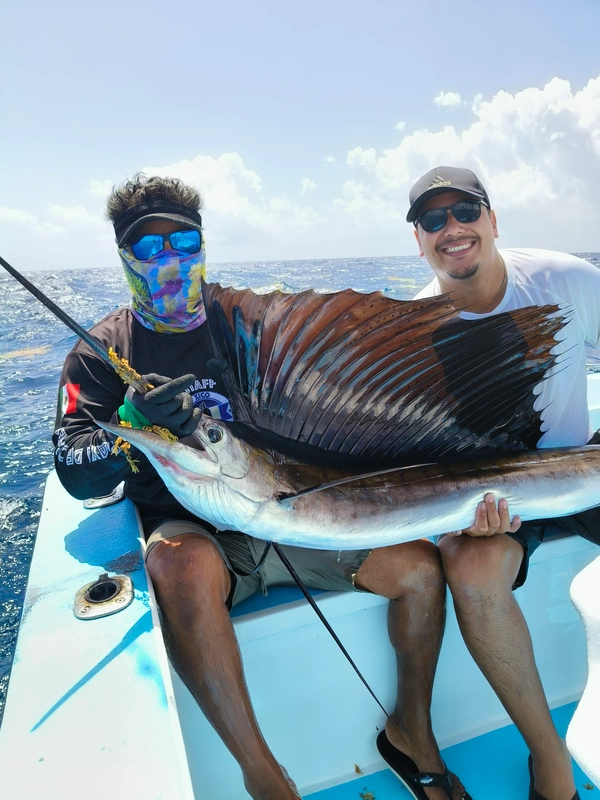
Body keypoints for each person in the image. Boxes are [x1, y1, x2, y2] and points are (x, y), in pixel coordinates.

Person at [53, 173, 472, 800]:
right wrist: (132, 429)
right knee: (178, 566)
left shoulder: (245, 323)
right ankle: (265, 779)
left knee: (418, 569)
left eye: (183, 240)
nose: (170, 259)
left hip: (294, 514)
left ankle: (411, 729)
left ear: (202, 244)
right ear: (123, 256)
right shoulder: (101, 352)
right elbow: (72, 466)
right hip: (199, 531)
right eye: (150, 247)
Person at [407, 165, 600, 800]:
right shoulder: (409, 332)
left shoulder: (568, 280)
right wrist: (458, 518)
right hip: (487, 503)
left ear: (493, 220)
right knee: (468, 567)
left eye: (465, 212)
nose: (452, 229)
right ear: (418, 239)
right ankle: (550, 761)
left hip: (581, 469)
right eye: (432, 220)